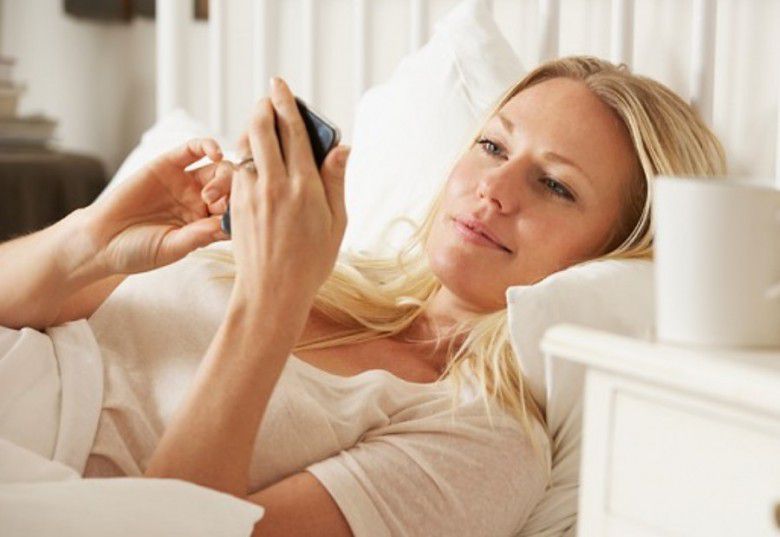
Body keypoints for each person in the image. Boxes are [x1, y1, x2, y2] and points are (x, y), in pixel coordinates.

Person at [0, 56, 726, 536]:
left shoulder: (485, 444)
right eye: (494, 146)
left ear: (613, 254)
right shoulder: (305, 258)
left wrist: (269, 303)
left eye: (556, 185)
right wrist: (90, 239)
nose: (494, 189)